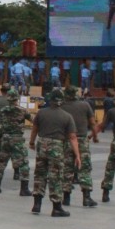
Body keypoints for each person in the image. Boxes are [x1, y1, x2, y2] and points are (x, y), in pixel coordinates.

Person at [28, 89, 81, 217]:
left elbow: (35, 129)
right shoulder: (67, 116)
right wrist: (77, 155)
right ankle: (56, 207)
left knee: (40, 174)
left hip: (42, 144)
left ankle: (37, 204)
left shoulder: (41, 113)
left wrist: (31, 142)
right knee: (56, 176)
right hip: (57, 146)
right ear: (61, 101)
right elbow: (73, 137)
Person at [60, 86, 99, 207]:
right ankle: (86, 197)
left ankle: (66, 197)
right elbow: (92, 122)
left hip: (66, 140)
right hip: (81, 139)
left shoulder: (61, 106)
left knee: (67, 168)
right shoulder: (85, 105)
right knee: (85, 168)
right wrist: (95, 136)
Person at [0, 90, 32, 196]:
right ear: (17, 99)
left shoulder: (3, 110)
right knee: (23, 163)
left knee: (2, 162)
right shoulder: (22, 110)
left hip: (5, 138)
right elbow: (33, 120)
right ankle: (24, 189)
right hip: (17, 138)